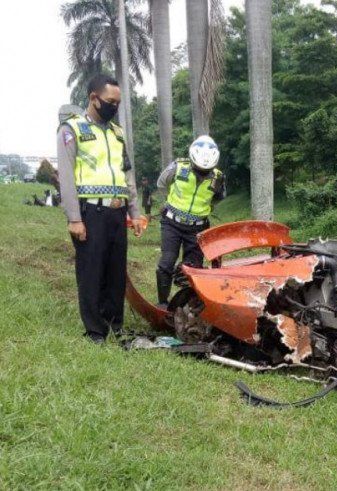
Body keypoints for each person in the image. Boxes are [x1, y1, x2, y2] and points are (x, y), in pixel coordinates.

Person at [57, 74, 145, 343]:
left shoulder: (118, 134)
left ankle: (114, 324)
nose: (114, 107)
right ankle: (95, 330)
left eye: (117, 103)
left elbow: (127, 175)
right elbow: (67, 177)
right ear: (93, 98)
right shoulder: (72, 130)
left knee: (116, 272)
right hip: (90, 213)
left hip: (117, 213)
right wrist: (74, 218)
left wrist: (135, 212)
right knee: (92, 271)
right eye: (109, 102)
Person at [155, 135, 225, 306]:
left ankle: (188, 303)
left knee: (193, 268)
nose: (203, 173)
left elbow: (219, 197)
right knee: (166, 263)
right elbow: (161, 183)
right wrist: (170, 203)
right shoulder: (178, 167)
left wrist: (204, 209)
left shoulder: (218, 177)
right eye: (199, 169)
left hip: (198, 228)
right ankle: (163, 303)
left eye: (206, 170)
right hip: (172, 224)